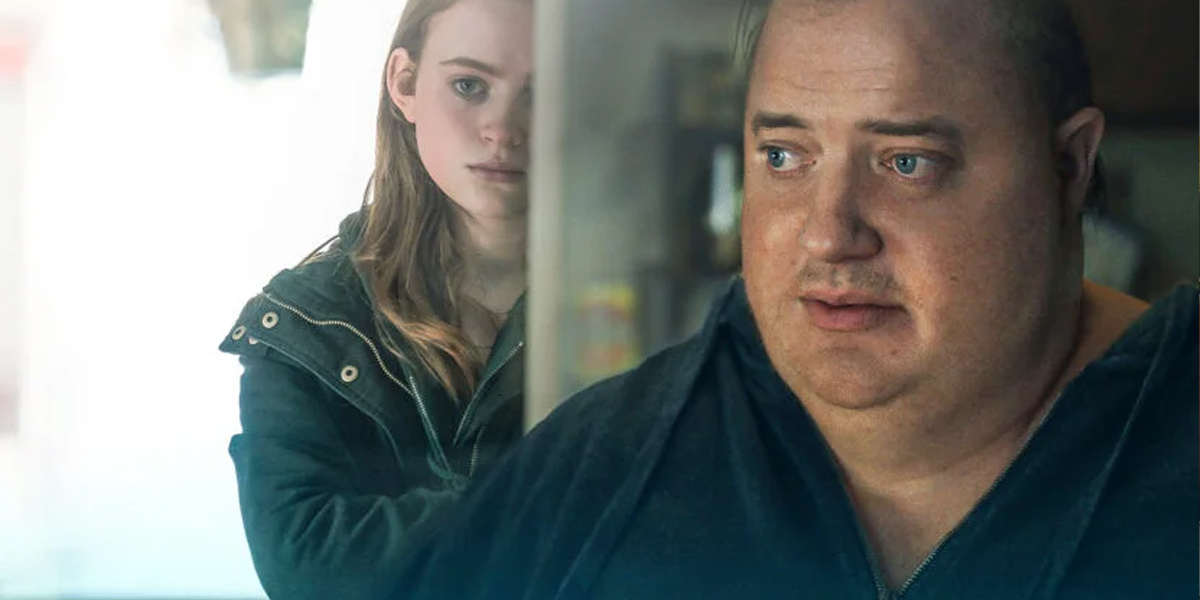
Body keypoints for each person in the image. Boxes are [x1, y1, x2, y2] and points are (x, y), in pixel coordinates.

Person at [390, 0, 1199, 598]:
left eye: (907, 162)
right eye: (783, 156)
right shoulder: (598, 472)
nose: (828, 234)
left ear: (1070, 165)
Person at [217, 0, 532, 598]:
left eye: (539, 94)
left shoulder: (648, 300)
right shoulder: (308, 324)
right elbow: (309, 565)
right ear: (405, 84)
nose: (503, 128)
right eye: (469, 85)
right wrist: (553, 500)